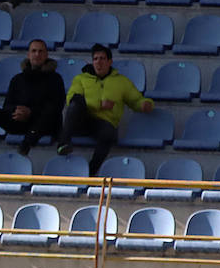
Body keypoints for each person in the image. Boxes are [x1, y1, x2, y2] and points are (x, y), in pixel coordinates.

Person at [57, 44, 153, 174]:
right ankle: (63, 143)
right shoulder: (81, 78)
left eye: (102, 58)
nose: (98, 62)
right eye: (95, 59)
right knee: (75, 104)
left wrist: (146, 104)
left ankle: (91, 171)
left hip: (104, 124)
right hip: (83, 120)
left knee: (108, 133)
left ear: (110, 61)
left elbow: (135, 99)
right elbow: (72, 99)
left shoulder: (121, 82)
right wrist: (99, 104)